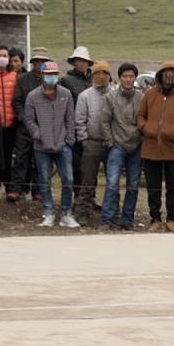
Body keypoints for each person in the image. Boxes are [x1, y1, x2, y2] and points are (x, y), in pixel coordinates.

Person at [137, 62, 174, 232]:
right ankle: (155, 218)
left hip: (172, 147)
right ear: (160, 75)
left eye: (173, 73)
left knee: (173, 186)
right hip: (150, 147)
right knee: (153, 186)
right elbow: (141, 115)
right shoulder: (149, 94)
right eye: (166, 73)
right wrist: (145, 127)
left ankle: (171, 218)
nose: (169, 77)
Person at [25, 61, 78, 228]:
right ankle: (48, 213)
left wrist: (69, 140)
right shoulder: (32, 96)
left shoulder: (66, 94)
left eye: (54, 74)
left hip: (63, 145)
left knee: (68, 179)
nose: (51, 77)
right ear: (41, 75)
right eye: (48, 74)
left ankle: (66, 213)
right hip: (41, 146)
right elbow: (29, 120)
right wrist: (38, 135)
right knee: (44, 180)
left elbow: (70, 119)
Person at [100, 63, 143, 230]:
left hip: (136, 147)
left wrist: (142, 140)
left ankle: (127, 219)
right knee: (112, 183)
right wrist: (110, 143)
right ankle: (107, 218)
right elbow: (104, 122)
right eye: (125, 76)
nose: (128, 79)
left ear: (135, 78)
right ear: (120, 78)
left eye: (131, 76)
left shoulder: (141, 97)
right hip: (117, 146)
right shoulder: (110, 97)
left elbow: (144, 120)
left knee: (133, 185)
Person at [7, 47, 51, 202]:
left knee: (40, 159)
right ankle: (16, 189)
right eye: (37, 61)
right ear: (33, 63)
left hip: (44, 127)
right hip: (25, 127)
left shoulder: (51, 80)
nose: (40, 64)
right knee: (20, 158)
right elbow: (17, 102)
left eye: (43, 62)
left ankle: (38, 190)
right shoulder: (23, 79)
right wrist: (23, 118)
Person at [74, 62, 114, 224]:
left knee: (112, 180)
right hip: (91, 142)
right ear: (93, 75)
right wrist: (84, 140)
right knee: (88, 180)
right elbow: (80, 121)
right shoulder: (84, 96)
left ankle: (112, 211)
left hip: (111, 144)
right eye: (98, 73)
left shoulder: (115, 94)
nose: (102, 76)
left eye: (105, 73)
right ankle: (84, 212)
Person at [61, 46, 94, 201]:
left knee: (91, 165)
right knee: (76, 164)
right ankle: (78, 196)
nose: (82, 64)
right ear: (74, 62)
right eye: (79, 61)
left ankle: (90, 196)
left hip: (92, 129)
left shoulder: (93, 80)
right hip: (73, 128)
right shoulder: (66, 81)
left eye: (84, 61)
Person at [0, 45, 18, 199]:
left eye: (5, 55)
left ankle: (9, 187)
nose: (2, 58)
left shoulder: (15, 76)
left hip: (11, 125)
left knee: (8, 157)